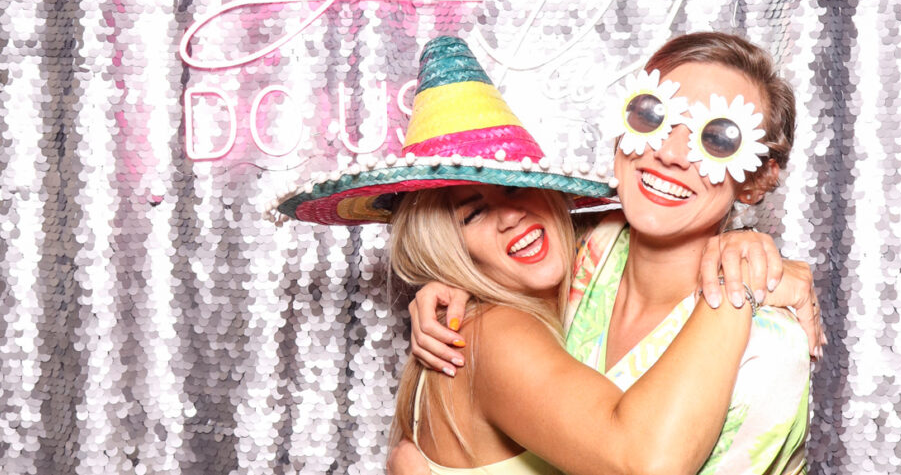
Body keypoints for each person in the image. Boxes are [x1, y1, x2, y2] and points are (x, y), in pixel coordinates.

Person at [278, 35, 817, 475]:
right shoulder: (579, 258)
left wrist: (745, 277)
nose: (671, 153)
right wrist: (450, 281)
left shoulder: (767, 346)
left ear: (758, 179)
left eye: (717, 138)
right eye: (653, 115)